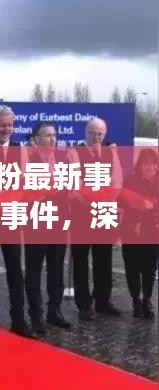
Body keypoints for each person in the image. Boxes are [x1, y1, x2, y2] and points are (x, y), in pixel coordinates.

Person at [0, 105, 35, 339]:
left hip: (11, 213)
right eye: (3, 125)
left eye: (10, 125)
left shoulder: (20, 150)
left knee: (15, 268)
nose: (7, 129)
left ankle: (19, 320)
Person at [71, 117, 122, 321]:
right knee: (81, 260)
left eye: (100, 133)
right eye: (92, 133)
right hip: (81, 212)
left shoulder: (111, 153)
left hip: (104, 211)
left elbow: (117, 181)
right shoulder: (74, 152)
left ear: (104, 134)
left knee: (104, 258)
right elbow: (74, 183)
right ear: (86, 132)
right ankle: (84, 305)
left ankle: (102, 301)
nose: (96, 137)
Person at [24, 123, 71, 334]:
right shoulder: (28, 159)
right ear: (36, 139)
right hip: (37, 221)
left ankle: (55, 311)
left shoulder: (62, 158)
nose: (52, 139)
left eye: (54, 135)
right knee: (34, 269)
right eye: (47, 136)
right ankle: (36, 314)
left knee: (56, 268)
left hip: (59, 221)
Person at [121, 149, 158, 318]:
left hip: (153, 231)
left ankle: (147, 300)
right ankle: (136, 300)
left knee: (150, 268)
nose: (149, 167)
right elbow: (121, 200)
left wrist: (151, 204)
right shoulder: (130, 180)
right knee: (132, 267)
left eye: (153, 164)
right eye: (146, 163)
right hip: (132, 230)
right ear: (140, 165)